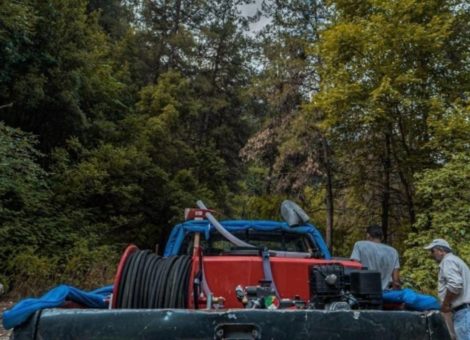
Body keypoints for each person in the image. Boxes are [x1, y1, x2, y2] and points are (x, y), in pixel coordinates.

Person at [425, 239, 470, 340]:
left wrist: (445, 304)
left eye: (433, 251)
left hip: (463, 311)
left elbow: (455, 285)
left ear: (441, 250)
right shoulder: (456, 260)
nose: (432, 254)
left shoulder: (448, 261)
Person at [350, 224, 401, 290]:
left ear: (368, 235)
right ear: (381, 237)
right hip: (385, 294)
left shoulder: (360, 245)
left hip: (365, 293)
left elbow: (354, 268)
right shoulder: (393, 251)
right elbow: (396, 281)